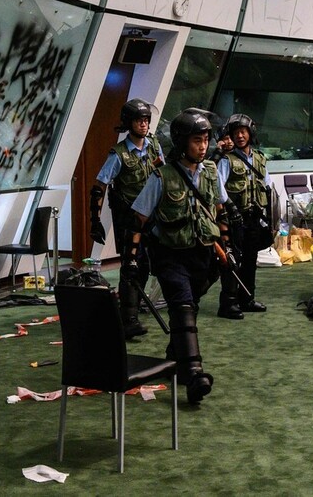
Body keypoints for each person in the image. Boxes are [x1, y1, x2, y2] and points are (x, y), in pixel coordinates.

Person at [125, 108, 235, 404]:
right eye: (197, 140)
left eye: (206, 140)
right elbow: (138, 220)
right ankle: (194, 374)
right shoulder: (162, 177)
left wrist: (227, 247)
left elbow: (221, 211)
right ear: (182, 142)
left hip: (202, 256)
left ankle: (175, 355)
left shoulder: (211, 172)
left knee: (188, 308)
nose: (203, 146)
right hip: (170, 257)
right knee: (183, 308)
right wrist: (131, 259)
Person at [90, 98, 163, 339]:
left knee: (146, 265)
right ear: (128, 123)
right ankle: (128, 319)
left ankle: (133, 307)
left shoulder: (154, 146)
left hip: (152, 217)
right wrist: (95, 221)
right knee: (131, 265)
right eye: (138, 120)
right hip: (128, 219)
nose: (143, 124)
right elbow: (99, 187)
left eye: (146, 120)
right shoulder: (119, 154)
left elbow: (164, 174)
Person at [216, 113, 272, 319]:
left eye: (243, 132)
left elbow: (267, 185)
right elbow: (218, 188)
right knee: (233, 260)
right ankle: (228, 303)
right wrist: (228, 212)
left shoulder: (259, 158)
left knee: (250, 259)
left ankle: (247, 299)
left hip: (254, 218)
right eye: (236, 133)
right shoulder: (226, 160)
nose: (240, 136)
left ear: (250, 133)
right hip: (234, 218)